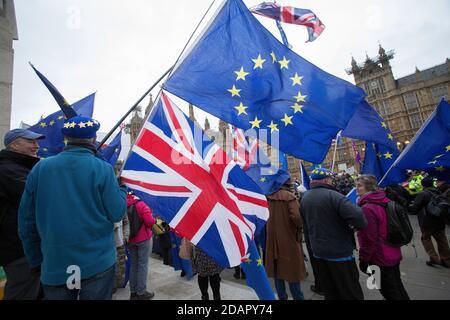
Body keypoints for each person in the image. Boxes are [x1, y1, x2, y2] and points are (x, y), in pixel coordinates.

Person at [18, 116, 127, 300]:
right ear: (93, 140)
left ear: (66, 139)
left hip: (56, 263)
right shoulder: (103, 169)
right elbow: (116, 212)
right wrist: (122, 189)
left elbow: (26, 223)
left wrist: (36, 260)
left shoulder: (40, 169)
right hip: (96, 262)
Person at [300, 168, 367, 300]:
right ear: (326, 180)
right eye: (331, 180)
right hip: (339, 252)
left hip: (318, 252)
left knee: (330, 290)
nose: (332, 182)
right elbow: (359, 218)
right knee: (350, 290)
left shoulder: (305, 197)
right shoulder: (335, 196)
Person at [0, 129, 45, 300]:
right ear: (14, 145)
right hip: (18, 248)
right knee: (23, 292)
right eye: (30, 142)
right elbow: (38, 198)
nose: (36, 146)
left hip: (24, 246)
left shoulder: (21, 168)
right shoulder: (8, 170)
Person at [356, 175, 410, 300]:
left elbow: (368, 238)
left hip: (379, 257)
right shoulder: (383, 200)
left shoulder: (367, 208)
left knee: (388, 290)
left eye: (359, 185)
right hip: (392, 252)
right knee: (397, 286)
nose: (356, 188)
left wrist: (364, 259)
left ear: (368, 187)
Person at [265, 179, 307, 300]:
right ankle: (298, 297)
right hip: (289, 239)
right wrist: (300, 227)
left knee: (278, 272)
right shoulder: (289, 197)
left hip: (272, 241)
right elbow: (297, 218)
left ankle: (282, 297)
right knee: (292, 272)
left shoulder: (267, 197)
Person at [410, 176, 450, 268]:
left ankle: (434, 258)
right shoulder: (438, 192)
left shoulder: (423, 194)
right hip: (439, 220)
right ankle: (446, 259)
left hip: (427, 221)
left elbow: (415, 208)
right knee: (442, 240)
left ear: (423, 184)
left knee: (426, 238)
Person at [126, 192, 156, 300]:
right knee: (143, 265)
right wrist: (154, 219)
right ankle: (141, 292)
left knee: (134, 265)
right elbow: (150, 222)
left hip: (130, 238)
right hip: (143, 239)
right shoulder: (142, 204)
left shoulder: (125, 203)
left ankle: (133, 292)